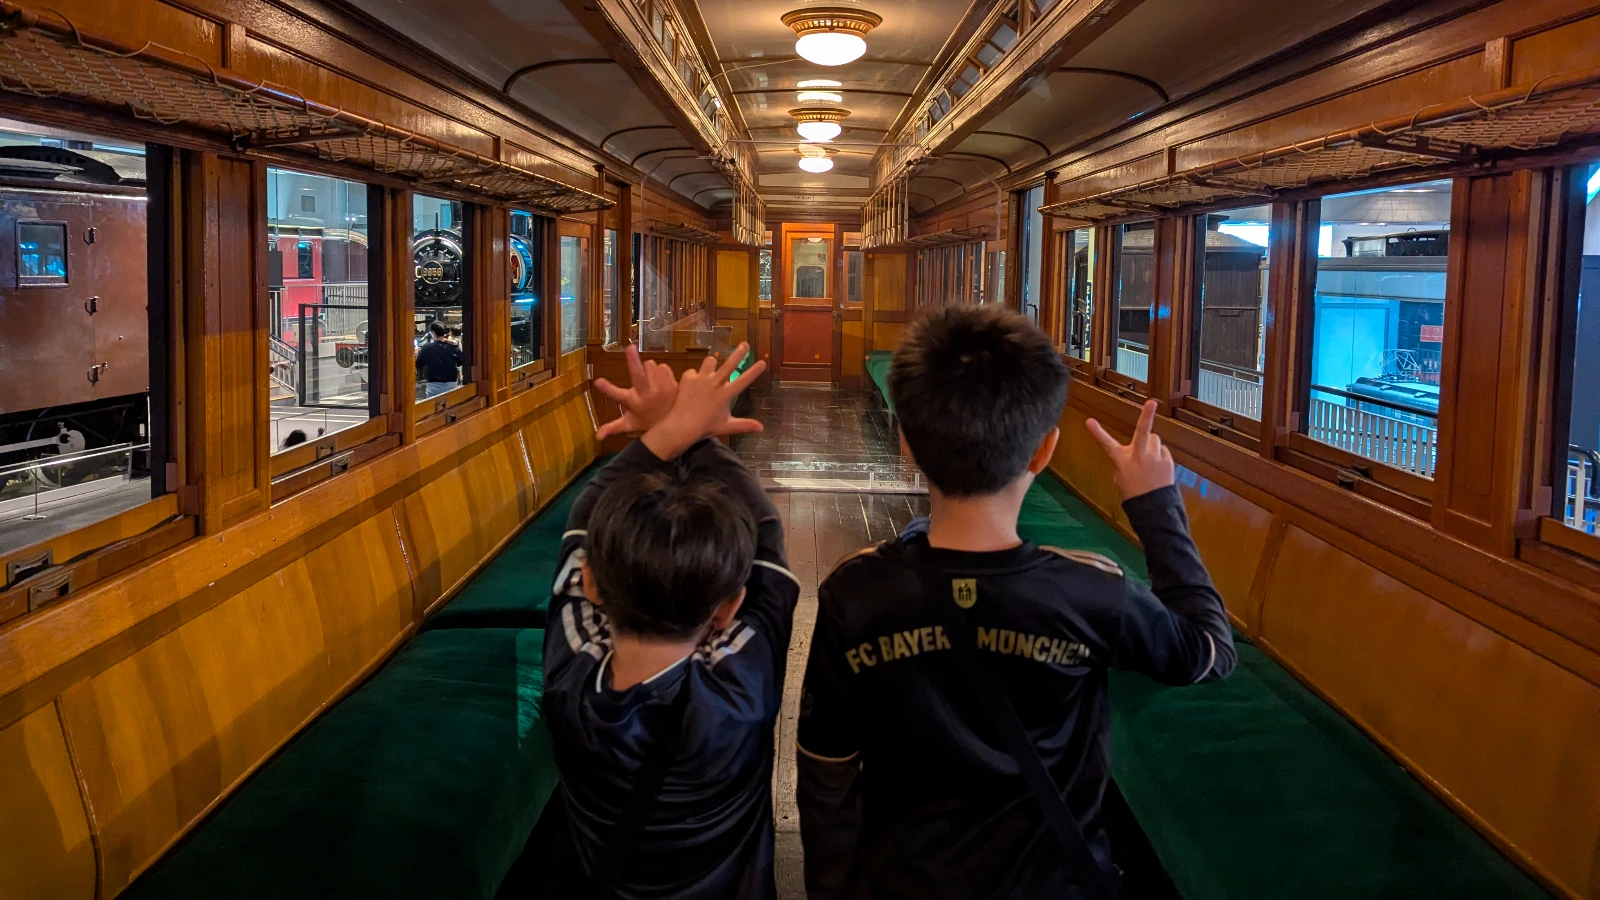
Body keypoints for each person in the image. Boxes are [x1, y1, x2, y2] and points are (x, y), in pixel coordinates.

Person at [796, 306, 1236, 899]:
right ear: (1042, 451)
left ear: (907, 440)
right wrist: (1155, 504)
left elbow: (826, 768)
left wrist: (832, 889)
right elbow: (1208, 651)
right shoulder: (1092, 592)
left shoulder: (855, 592)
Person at [541, 343, 799, 899]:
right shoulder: (743, 688)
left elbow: (586, 516)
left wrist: (676, 429)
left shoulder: (573, 682)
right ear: (731, 605)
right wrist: (693, 433)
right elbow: (768, 534)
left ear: (592, 584)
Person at [415, 320, 463, 398]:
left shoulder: (427, 347)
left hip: (433, 384)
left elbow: (419, 364)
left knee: (433, 406)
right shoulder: (452, 346)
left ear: (433, 333)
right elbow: (460, 362)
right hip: (451, 383)